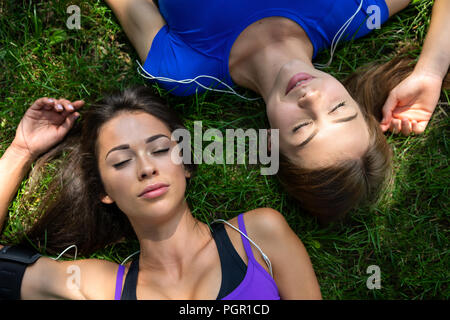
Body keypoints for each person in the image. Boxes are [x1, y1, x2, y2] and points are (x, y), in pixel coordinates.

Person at [105, 0, 450, 223]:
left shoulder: (185, 70)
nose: (311, 97)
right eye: (339, 107)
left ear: (271, 146)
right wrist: (431, 70)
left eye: (302, 128)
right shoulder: (352, 12)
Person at [0, 87, 322, 300]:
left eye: (159, 149)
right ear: (104, 191)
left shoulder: (257, 237)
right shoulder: (100, 287)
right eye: (122, 160)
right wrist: (20, 152)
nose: (146, 168)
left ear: (186, 164)